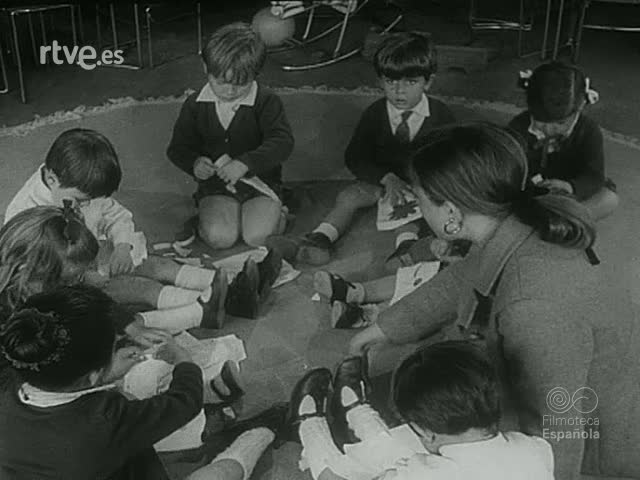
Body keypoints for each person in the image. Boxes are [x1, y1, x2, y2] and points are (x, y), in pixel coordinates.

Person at [348, 122, 640, 479]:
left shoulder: (534, 306)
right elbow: (465, 275)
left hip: (596, 437)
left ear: (451, 212)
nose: (418, 207)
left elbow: (557, 425)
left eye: (419, 199)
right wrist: (383, 329)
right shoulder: (514, 221)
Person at [5, 128, 283, 327]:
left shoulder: (77, 185)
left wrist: (123, 246)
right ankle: (208, 305)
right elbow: (37, 284)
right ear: (51, 179)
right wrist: (87, 277)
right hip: (66, 279)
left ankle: (232, 287)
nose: (86, 205)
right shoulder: (25, 218)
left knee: (155, 264)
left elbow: (114, 214)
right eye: (81, 201)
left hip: (91, 254)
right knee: (139, 287)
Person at [266, 31, 456, 267]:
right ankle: (320, 238)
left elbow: (450, 159)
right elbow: (355, 156)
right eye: (391, 82)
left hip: (418, 186)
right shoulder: (375, 114)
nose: (399, 91)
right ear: (380, 81)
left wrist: (420, 185)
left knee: (408, 212)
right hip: (380, 181)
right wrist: (385, 178)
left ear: (428, 82)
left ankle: (406, 247)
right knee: (349, 197)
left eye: (411, 82)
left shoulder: (440, 116)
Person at [0, 284, 202, 479]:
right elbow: (186, 402)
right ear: (93, 375)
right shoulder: (107, 418)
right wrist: (184, 361)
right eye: (114, 346)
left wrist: (102, 375)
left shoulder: (13, 376)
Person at [288, 342, 554, 480]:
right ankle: (356, 411)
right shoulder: (536, 448)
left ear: (424, 431)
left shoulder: (420, 474)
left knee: (343, 472)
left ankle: (307, 423)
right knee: (393, 450)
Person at [167, 22, 294, 251]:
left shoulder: (266, 100)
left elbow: (282, 142)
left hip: (260, 183)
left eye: (241, 84)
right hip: (216, 187)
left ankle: (280, 212)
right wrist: (195, 163)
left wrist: (245, 163)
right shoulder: (195, 104)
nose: (230, 91)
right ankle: (206, 217)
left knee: (258, 237)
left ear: (255, 74)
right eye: (221, 82)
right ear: (205, 67)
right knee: (220, 238)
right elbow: (178, 148)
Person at [0, 205, 167, 348]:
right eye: (66, 280)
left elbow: (88, 297)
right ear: (25, 270)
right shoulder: (6, 312)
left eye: (79, 276)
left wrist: (130, 327)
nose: (75, 284)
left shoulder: (44, 281)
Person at [508, 61, 619, 221]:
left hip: (569, 191)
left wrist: (570, 187)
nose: (549, 129)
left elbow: (594, 175)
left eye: (560, 123)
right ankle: (552, 221)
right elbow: (506, 167)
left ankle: (561, 221)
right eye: (541, 122)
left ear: (580, 107)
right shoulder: (518, 127)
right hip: (530, 191)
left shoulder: (588, 131)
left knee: (608, 198)